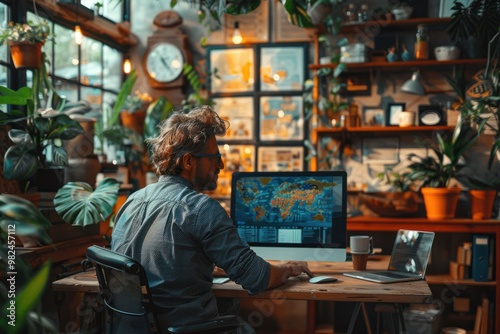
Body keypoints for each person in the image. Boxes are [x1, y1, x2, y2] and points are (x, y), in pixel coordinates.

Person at [111, 105, 312, 333]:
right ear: (188, 161)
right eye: (215, 159)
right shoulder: (201, 209)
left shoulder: (131, 202)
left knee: (229, 304)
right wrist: (289, 268)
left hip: (135, 327)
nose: (221, 167)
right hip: (188, 328)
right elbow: (258, 278)